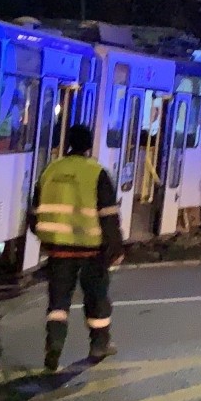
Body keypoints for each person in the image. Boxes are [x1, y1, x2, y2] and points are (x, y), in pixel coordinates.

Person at [29, 125, 124, 372]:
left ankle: (54, 345)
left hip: (58, 251)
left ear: (68, 143)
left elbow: (34, 213)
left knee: (58, 303)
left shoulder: (50, 170)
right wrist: (115, 247)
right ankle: (99, 345)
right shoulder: (97, 172)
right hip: (91, 252)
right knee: (97, 299)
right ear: (89, 145)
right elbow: (108, 216)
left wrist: (47, 238)